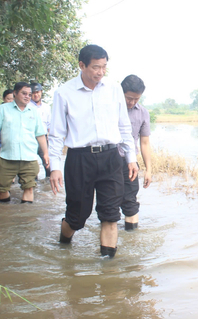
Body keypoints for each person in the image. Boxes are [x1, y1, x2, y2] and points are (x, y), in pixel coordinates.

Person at [49, 45, 137, 258]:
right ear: (82, 65)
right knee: (77, 217)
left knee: (110, 215)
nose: (100, 72)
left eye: (104, 67)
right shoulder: (64, 92)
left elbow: (124, 126)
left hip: (111, 157)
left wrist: (131, 158)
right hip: (80, 159)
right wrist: (54, 167)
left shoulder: (114, 88)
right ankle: (64, 245)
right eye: (96, 67)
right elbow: (56, 133)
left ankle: (108, 270)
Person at [0, 83, 48, 204]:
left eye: (29, 94)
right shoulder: (3, 109)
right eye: (24, 93)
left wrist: (46, 153)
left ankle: (25, 220)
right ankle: (6, 216)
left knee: (29, 187)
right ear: (15, 93)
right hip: (7, 157)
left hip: (29, 157)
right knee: (2, 188)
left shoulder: (34, 112)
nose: (27, 97)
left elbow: (40, 134)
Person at [119, 75, 152, 230]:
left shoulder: (143, 113)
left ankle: (132, 240)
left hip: (129, 162)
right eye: (128, 98)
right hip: (107, 160)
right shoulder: (111, 109)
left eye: (136, 99)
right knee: (107, 202)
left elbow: (144, 143)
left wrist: (148, 170)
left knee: (130, 201)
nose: (131, 103)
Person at [28, 82, 52, 178]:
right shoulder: (27, 106)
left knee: (48, 163)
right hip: (30, 138)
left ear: (41, 92)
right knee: (31, 165)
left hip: (44, 138)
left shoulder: (46, 107)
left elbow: (50, 124)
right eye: (33, 92)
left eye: (38, 92)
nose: (36, 94)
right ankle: (33, 186)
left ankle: (48, 186)